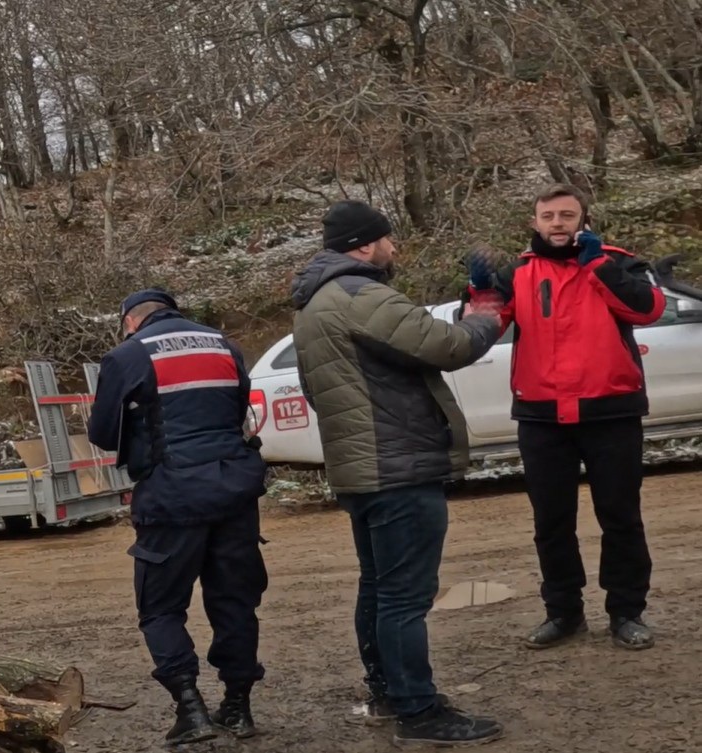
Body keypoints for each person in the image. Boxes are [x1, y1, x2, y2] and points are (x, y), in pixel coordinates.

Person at [291, 200, 505, 747]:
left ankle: (388, 692)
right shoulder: (360, 293)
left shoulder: (314, 304)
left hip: (363, 470)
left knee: (381, 589)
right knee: (406, 598)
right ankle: (419, 711)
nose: (394, 248)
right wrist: (487, 308)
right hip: (399, 468)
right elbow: (448, 347)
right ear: (363, 245)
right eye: (387, 239)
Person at [465, 183, 665, 651]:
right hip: (541, 415)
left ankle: (626, 612)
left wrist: (598, 265)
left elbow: (649, 308)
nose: (558, 223)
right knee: (552, 521)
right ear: (534, 222)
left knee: (620, 516)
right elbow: (482, 327)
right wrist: (478, 288)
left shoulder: (616, 261)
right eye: (549, 216)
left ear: (584, 221)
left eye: (567, 215)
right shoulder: (518, 271)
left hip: (611, 410)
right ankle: (563, 612)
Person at [87, 289, 269, 746]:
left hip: (171, 500)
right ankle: (238, 707)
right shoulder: (223, 344)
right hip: (234, 493)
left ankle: (190, 708)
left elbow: (104, 435)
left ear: (130, 321)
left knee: (161, 607)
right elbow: (238, 411)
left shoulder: (127, 356)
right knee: (235, 602)